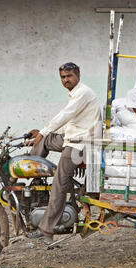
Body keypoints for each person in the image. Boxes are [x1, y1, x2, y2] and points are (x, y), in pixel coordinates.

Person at [26, 62, 102, 240]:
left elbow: (65, 115)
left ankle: (47, 228)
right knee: (45, 140)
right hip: (73, 137)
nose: (66, 80)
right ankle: (31, 170)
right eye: (63, 77)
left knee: (59, 183)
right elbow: (69, 123)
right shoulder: (75, 94)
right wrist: (42, 134)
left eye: (69, 76)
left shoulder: (83, 93)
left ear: (78, 75)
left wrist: (45, 130)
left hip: (81, 144)